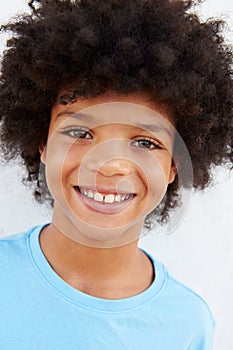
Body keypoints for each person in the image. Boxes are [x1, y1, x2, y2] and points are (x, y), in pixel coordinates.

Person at [0, 0, 232, 349]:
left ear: (174, 166)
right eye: (80, 133)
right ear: (42, 142)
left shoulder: (186, 325)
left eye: (144, 142)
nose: (109, 165)